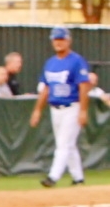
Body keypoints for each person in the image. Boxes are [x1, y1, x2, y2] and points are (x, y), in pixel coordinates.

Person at [29, 26, 90, 187]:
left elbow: (84, 86)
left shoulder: (76, 61)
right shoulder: (50, 63)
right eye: (56, 39)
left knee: (63, 144)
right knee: (68, 145)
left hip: (72, 106)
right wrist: (37, 110)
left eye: (61, 39)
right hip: (55, 108)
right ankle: (78, 179)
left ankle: (53, 177)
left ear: (68, 41)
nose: (58, 42)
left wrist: (83, 110)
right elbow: (46, 88)